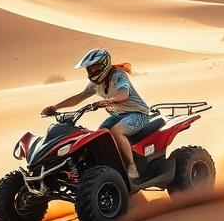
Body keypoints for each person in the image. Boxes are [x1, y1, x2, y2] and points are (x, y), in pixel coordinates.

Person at [41, 48, 151, 181]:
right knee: (99, 136)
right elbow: (79, 97)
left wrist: (111, 100)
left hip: (138, 113)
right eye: (90, 69)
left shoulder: (118, 75)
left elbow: (124, 93)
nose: (92, 71)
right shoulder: (94, 84)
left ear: (105, 65)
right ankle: (107, 168)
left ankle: (131, 167)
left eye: (96, 67)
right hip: (118, 115)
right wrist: (55, 107)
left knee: (117, 131)